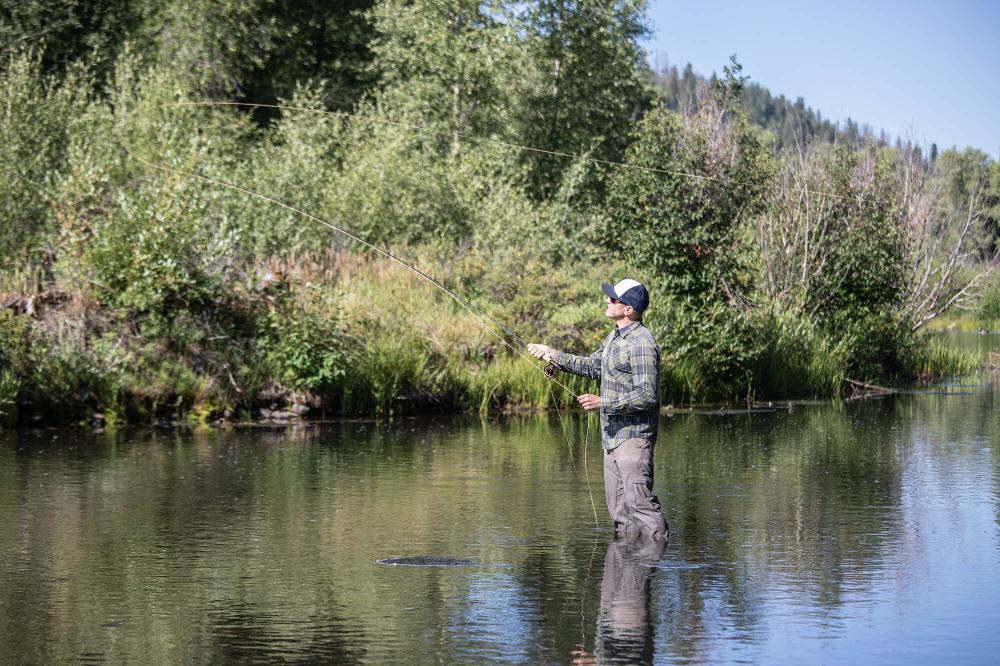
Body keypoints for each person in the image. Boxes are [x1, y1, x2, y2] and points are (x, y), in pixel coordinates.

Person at [528, 279, 668, 541]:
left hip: (634, 439)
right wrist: (553, 355)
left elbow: (648, 395)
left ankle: (651, 564)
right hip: (612, 439)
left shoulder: (641, 342)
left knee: (641, 507)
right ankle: (623, 575)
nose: (607, 301)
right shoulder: (614, 337)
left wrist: (603, 402)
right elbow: (593, 367)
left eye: (613, 299)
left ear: (628, 309)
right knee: (620, 516)